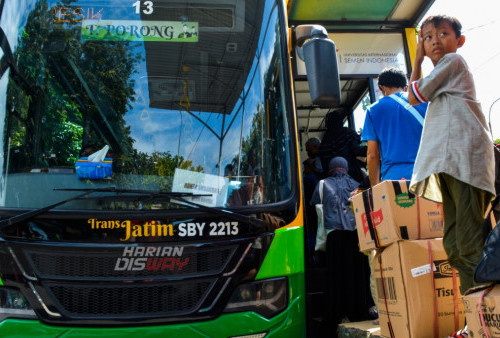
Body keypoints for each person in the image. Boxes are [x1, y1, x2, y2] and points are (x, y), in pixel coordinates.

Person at [408, 15, 496, 337]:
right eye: (427, 37)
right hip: (448, 164)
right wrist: (417, 58)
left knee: (469, 243)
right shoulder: (443, 75)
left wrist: (418, 61)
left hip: (465, 162)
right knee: (454, 244)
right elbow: (411, 95)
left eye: (442, 34)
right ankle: (474, 317)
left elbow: (416, 93)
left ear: (459, 41)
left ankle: (483, 318)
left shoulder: (454, 62)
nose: (434, 41)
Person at [310, 157, 374, 335]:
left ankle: (335, 314)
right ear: (346, 168)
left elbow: (318, 214)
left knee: (336, 275)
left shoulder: (322, 184)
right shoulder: (356, 185)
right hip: (355, 236)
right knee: (354, 276)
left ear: (330, 168)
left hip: (334, 236)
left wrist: (317, 245)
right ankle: (356, 311)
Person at [361, 67, 428, 187]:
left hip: (394, 179)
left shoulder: (373, 110)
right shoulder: (425, 103)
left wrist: (375, 186)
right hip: (428, 176)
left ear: (382, 87)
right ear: (406, 87)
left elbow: (372, 154)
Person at [318, 110, 366, 183]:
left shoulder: (324, 142)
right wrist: (374, 148)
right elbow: (357, 150)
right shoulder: (347, 133)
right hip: (352, 176)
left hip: (332, 181)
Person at [303, 137, 323, 263]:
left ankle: (314, 256)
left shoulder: (310, 179)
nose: (307, 151)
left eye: (308, 149)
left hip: (313, 207)